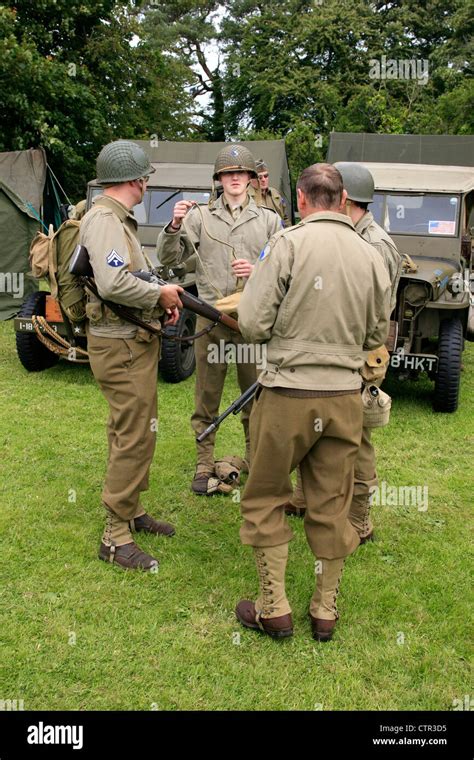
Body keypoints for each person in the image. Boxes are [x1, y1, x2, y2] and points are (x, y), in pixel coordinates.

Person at [235, 163, 391, 641]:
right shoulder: (370, 254)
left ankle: (273, 607)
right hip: (344, 398)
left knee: (265, 496)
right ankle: (324, 610)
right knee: (331, 504)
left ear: (301, 199)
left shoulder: (287, 244)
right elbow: (376, 334)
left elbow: (252, 323)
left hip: (287, 394)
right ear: (342, 200)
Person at [285, 163, 402, 544]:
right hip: (343, 350)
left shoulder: (375, 245)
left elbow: (374, 312)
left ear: (345, 198)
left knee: (358, 437)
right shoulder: (355, 236)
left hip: (362, 353)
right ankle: (304, 496)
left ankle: (360, 518)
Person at [80, 140, 184, 571]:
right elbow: (113, 284)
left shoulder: (117, 218)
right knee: (133, 436)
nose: (147, 185)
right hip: (119, 342)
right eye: (145, 178)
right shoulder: (104, 220)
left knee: (137, 429)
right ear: (135, 180)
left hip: (131, 341)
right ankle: (115, 535)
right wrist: (159, 295)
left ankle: (132, 510)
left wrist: (158, 298)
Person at [156, 144, 281, 495]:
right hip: (211, 323)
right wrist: (174, 225)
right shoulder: (201, 217)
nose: (235, 178)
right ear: (219, 180)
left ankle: (256, 463)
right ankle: (203, 464)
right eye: (229, 173)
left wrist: (258, 270)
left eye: (241, 173)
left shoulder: (270, 220)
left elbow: (286, 270)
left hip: (251, 326)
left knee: (255, 399)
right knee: (206, 398)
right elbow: (170, 260)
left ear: (251, 180)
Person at [248, 158, 291, 227]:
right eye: (260, 177)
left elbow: (284, 218)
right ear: (250, 180)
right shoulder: (245, 197)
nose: (264, 180)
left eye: (266, 176)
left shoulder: (275, 193)